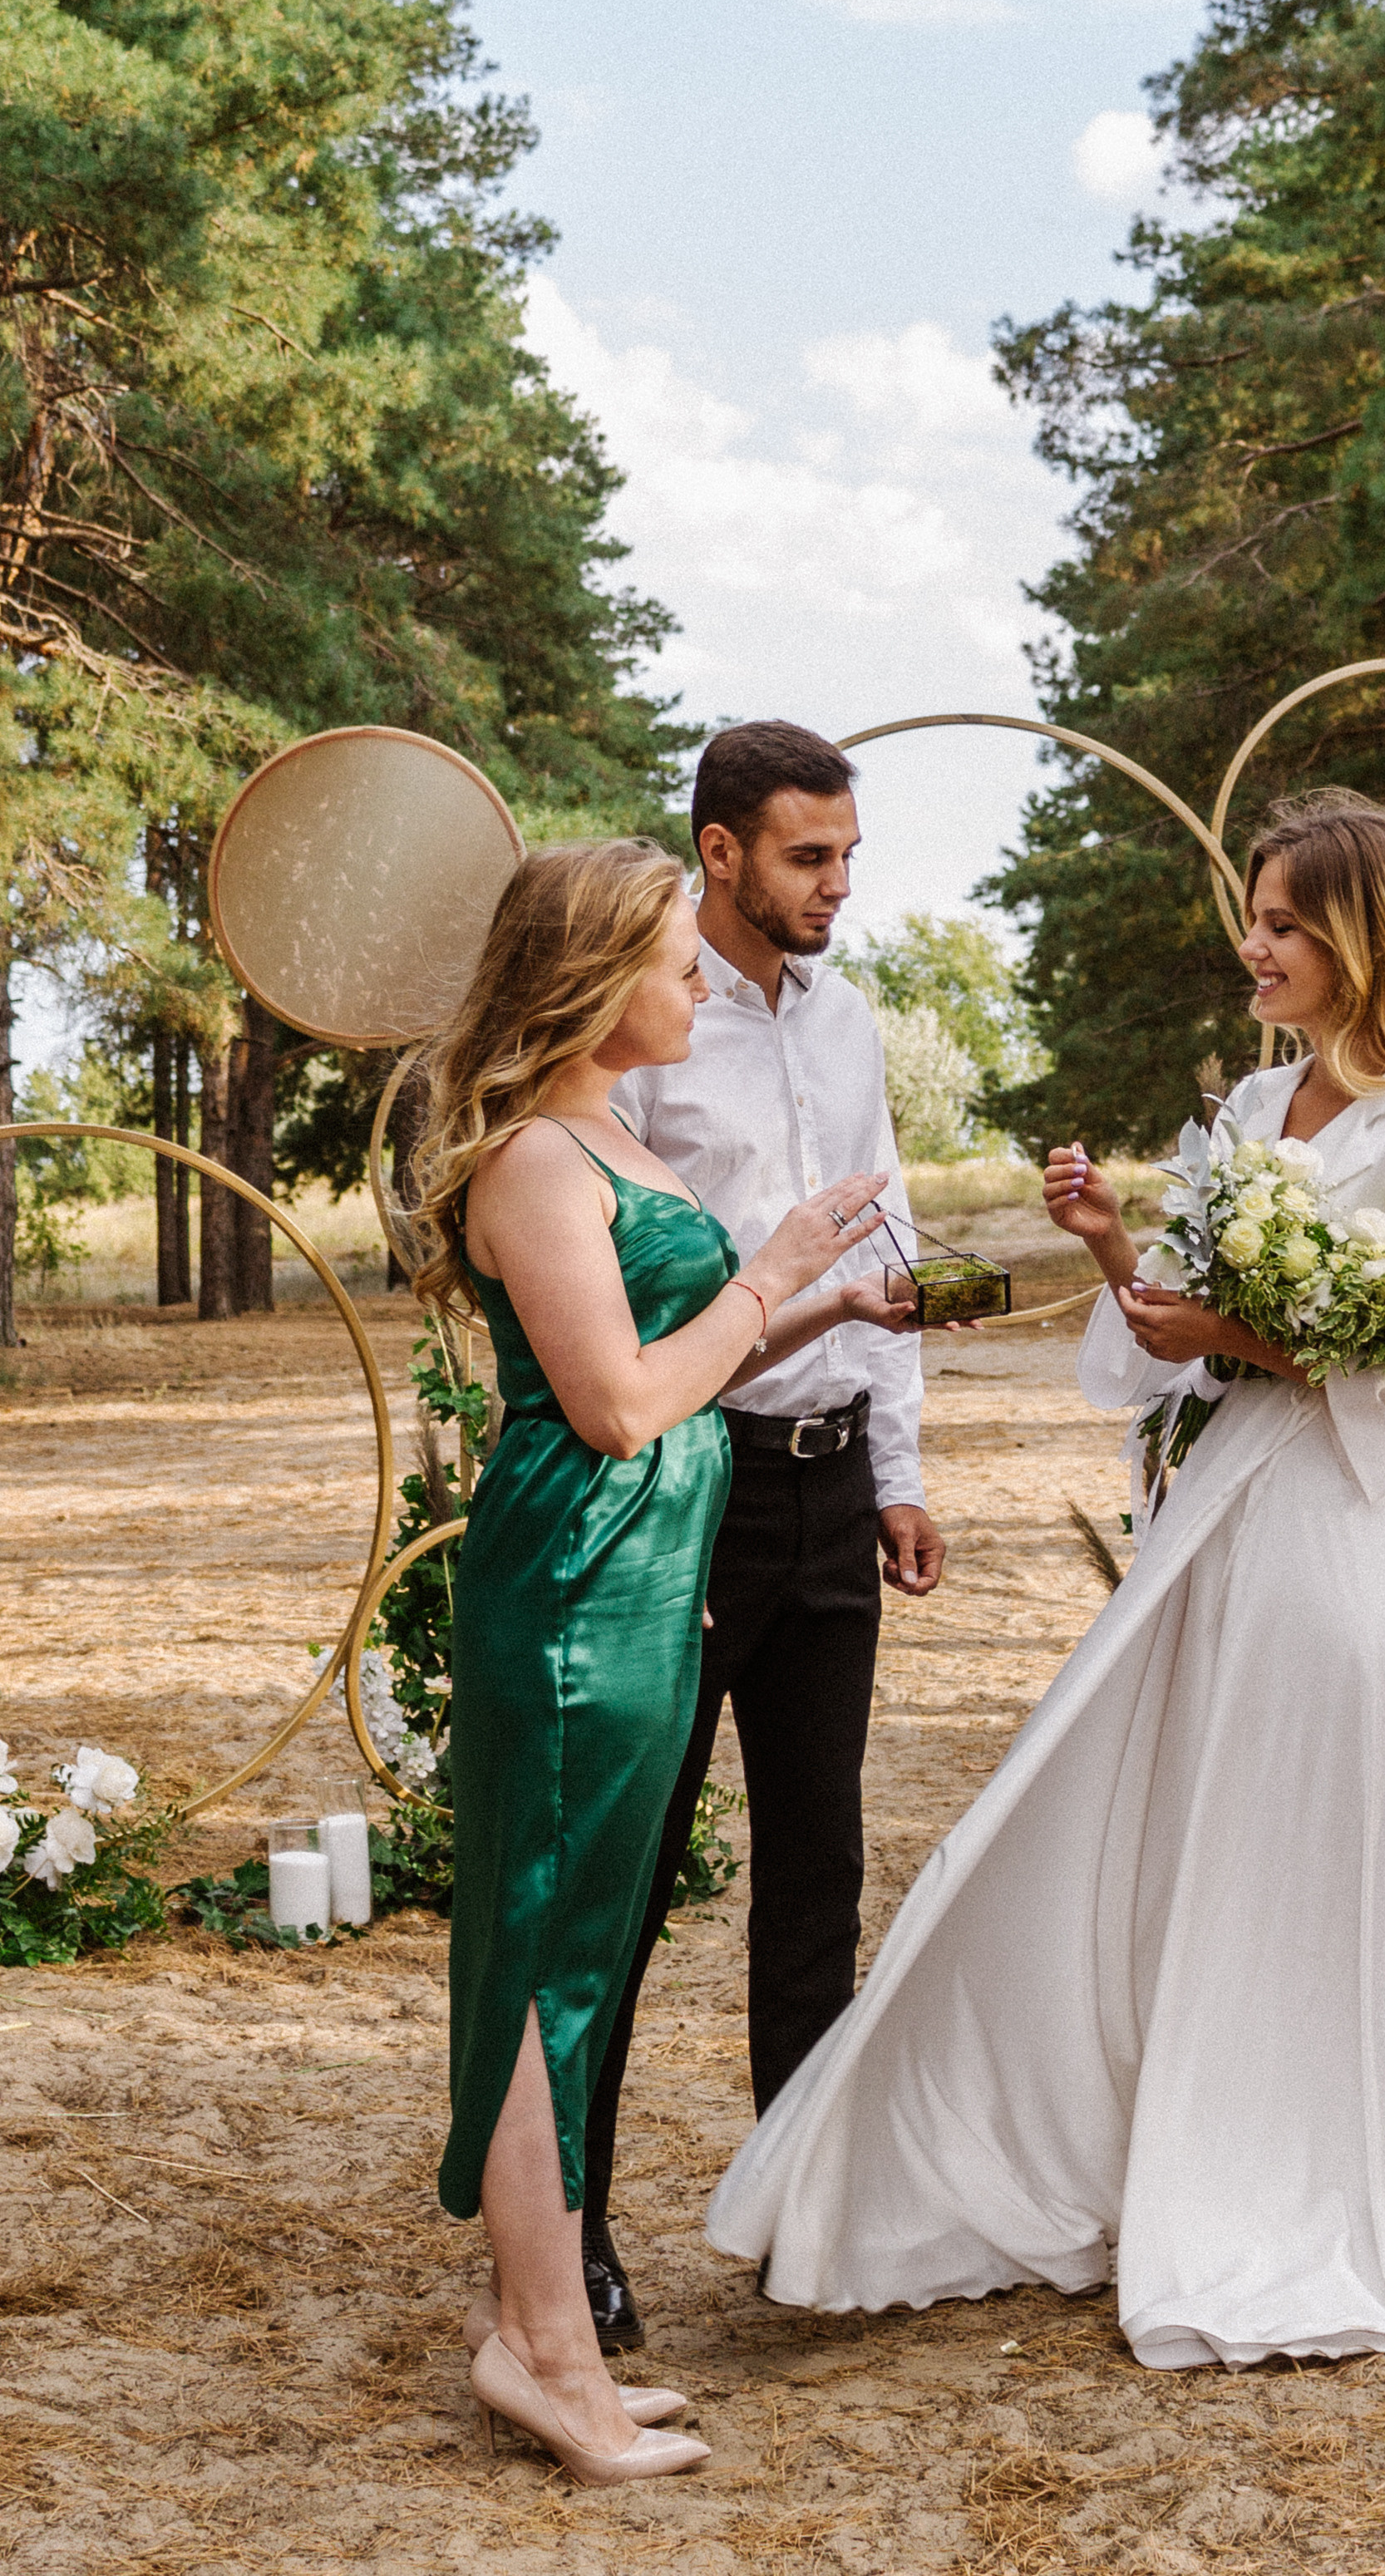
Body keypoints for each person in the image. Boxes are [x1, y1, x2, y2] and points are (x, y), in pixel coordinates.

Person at [704, 789, 1385, 2367]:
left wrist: (1242, 1338)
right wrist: (1120, 1248)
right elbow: (1160, 1342)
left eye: (1278, 926)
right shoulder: (1257, 1112)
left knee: (1288, 1863)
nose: (1251, 949)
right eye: (1251, 922)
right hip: (1207, 1523)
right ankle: (1060, 2142)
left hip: (1322, 1536)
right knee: (1142, 1837)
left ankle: (1284, 2187)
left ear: (1356, 940)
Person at [411, 837, 906, 2482]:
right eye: (677, 956)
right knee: (548, 1960)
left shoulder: (607, 1131)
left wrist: (831, 1301)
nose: (703, 979)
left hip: (641, 1577)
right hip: (572, 1588)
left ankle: (534, 2327)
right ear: (589, 971)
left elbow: (687, 1345)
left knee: (582, 1934)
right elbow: (619, 1400)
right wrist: (766, 1275)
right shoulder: (536, 1161)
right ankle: (546, 2349)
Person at [579, 722, 949, 2354]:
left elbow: (889, 1240)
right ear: (719, 850)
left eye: (849, 854)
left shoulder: (850, 1015)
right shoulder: (637, 1025)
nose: (838, 885)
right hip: (681, 1486)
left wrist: (896, 1466)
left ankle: (808, 2215)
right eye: (810, 856)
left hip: (822, 1486)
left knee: (819, 1863)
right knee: (627, 1870)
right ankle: (566, 2224)